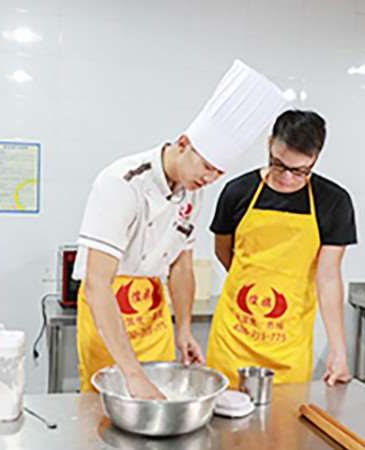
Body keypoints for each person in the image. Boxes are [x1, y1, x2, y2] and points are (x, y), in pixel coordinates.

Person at [73, 60, 294, 399]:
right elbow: (96, 284)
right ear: (183, 143)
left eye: (218, 172)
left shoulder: (192, 190)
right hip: (108, 315)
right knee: (107, 406)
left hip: (153, 316)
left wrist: (184, 329)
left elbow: (181, 265)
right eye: (206, 165)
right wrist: (132, 374)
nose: (209, 178)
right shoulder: (121, 183)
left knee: (161, 398)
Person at [206, 109, 357, 387]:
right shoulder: (237, 192)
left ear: (316, 158)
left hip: (288, 343)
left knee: (286, 413)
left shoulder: (333, 201)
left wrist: (338, 351)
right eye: (278, 164)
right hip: (233, 339)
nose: (287, 178)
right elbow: (223, 251)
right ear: (269, 144)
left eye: (300, 171)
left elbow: (328, 277)